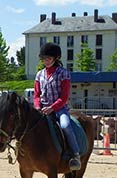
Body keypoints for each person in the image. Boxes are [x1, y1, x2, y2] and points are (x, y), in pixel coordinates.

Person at [34, 42, 81, 171]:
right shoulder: (39, 75)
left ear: (56, 58)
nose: (46, 61)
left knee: (65, 125)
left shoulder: (63, 73)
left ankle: (75, 154)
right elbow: (37, 95)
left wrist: (52, 108)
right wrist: (37, 107)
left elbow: (64, 97)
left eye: (49, 58)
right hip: (42, 109)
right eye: (44, 59)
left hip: (59, 109)